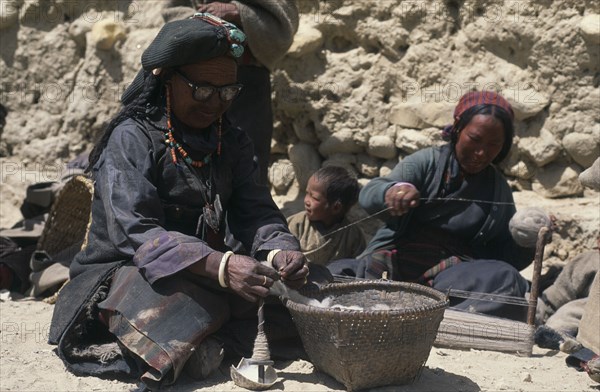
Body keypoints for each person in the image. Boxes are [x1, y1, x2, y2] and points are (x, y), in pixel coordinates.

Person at [48, 14, 311, 390]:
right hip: (131, 271)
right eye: (202, 89)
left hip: (210, 271)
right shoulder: (132, 137)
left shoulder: (230, 140)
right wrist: (220, 265)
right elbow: (136, 231)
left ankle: (213, 342)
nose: (215, 103)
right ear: (166, 79)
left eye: (227, 92)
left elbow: (255, 211)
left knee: (310, 289)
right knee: (175, 305)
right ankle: (210, 337)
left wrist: (278, 250)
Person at [328, 91, 538, 320]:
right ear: (458, 129)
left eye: (494, 145)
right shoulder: (426, 162)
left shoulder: (498, 188)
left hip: (451, 278)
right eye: (475, 139)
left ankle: (428, 319)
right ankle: (429, 316)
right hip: (393, 265)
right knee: (334, 275)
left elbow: (506, 256)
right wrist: (392, 192)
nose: (481, 153)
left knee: (506, 279)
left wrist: (530, 239)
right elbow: (370, 193)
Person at [193, 0, 299, 185]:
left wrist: (239, 12)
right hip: (197, 76)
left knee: (250, 163)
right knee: (195, 156)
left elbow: (286, 16)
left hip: (248, 78)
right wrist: (196, 25)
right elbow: (175, 10)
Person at [287, 166, 366, 266]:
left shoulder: (353, 236)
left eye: (314, 198)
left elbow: (359, 265)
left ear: (336, 208)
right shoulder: (296, 224)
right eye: (307, 193)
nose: (306, 200)